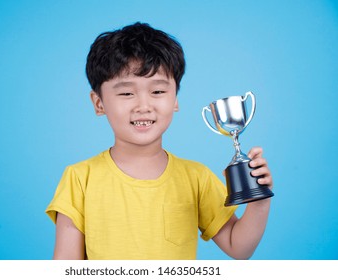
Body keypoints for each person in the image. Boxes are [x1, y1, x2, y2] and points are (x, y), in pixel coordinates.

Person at [45, 22, 273, 260]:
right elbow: (66, 266)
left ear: (175, 100)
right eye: (126, 93)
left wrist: (259, 201)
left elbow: (239, 247)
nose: (144, 106)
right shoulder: (79, 179)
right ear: (98, 103)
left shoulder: (196, 178)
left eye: (158, 92)